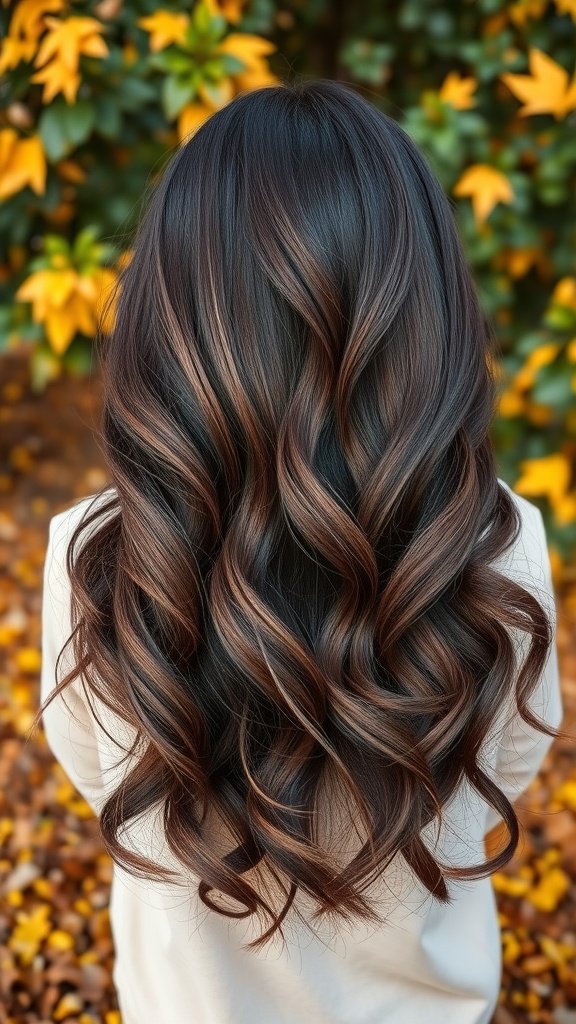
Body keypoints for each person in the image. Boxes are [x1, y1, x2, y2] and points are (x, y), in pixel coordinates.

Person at [39, 79, 563, 1024]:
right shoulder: (498, 543)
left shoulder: (90, 555)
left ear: (171, 316)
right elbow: (497, 783)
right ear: (427, 312)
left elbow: (98, 772)